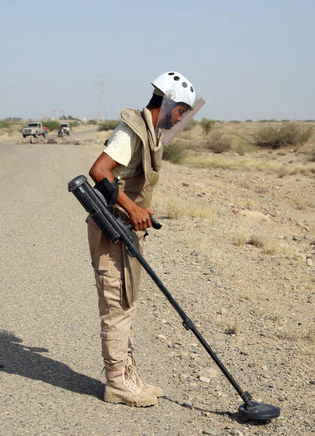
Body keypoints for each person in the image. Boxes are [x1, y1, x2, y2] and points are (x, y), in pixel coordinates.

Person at [86, 71, 199, 407]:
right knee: (117, 305)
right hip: (112, 228)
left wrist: (138, 213)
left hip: (126, 229)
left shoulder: (150, 134)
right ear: (167, 103)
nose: (180, 117)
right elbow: (99, 171)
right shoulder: (130, 133)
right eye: (180, 110)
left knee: (128, 300)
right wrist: (132, 208)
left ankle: (128, 372)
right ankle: (117, 382)